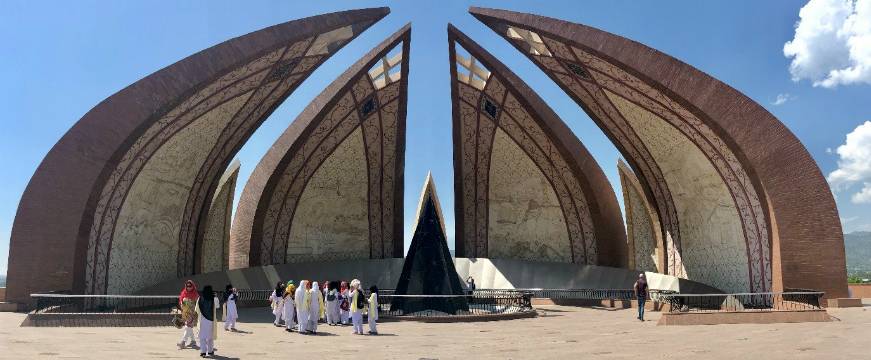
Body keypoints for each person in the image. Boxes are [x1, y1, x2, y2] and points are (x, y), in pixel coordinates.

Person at [197, 285, 219, 358]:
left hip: (202, 320)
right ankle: (210, 351)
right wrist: (216, 297)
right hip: (211, 320)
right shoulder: (214, 298)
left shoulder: (200, 298)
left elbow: (197, 310)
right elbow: (217, 306)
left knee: (202, 336)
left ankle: (203, 352)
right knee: (210, 337)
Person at [177, 280, 199, 349]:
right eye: (187, 286)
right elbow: (180, 298)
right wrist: (181, 303)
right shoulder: (184, 292)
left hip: (192, 313)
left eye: (190, 286)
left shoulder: (195, 293)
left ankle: (183, 342)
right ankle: (193, 341)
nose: (189, 287)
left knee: (188, 327)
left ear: (193, 286)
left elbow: (198, 303)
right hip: (185, 313)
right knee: (189, 328)